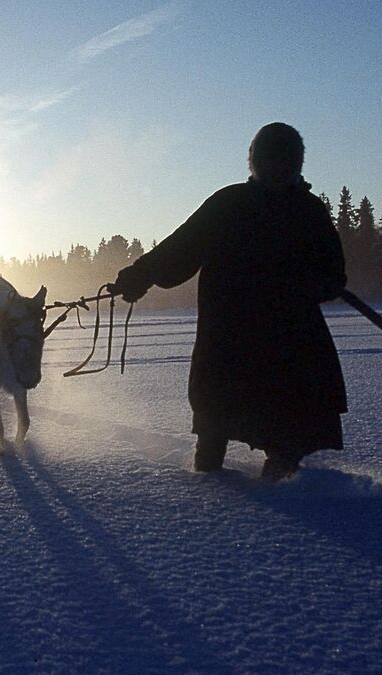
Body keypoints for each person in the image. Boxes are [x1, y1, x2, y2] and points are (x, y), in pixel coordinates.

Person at [109, 122, 347, 480]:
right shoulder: (236, 204)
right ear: (257, 162)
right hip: (239, 342)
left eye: (284, 161)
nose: (277, 168)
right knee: (217, 426)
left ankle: (284, 493)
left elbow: (333, 277)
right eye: (271, 160)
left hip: (278, 345)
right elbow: (180, 249)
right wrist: (139, 275)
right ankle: (213, 488)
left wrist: (302, 282)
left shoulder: (304, 211)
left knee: (280, 430)